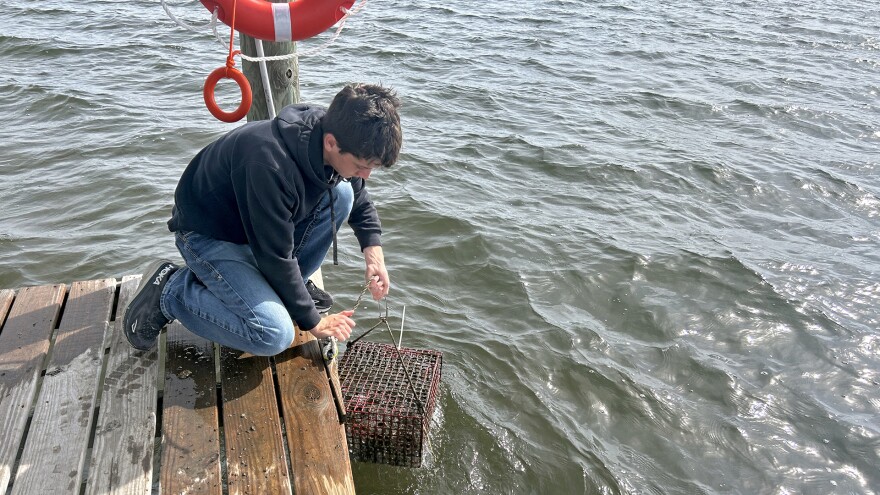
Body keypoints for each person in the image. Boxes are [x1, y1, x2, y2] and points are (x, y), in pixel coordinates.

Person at [122, 83, 402, 356]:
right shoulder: (269, 164)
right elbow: (274, 256)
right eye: (362, 166)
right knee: (273, 334)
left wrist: (373, 255)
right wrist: (313, 322)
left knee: (342, 193)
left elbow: (358, 195)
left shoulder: (338, 131)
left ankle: (287, 289)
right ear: (331, 143)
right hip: (208, 235)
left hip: (256, 232)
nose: (365, 175)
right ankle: (171, 292)